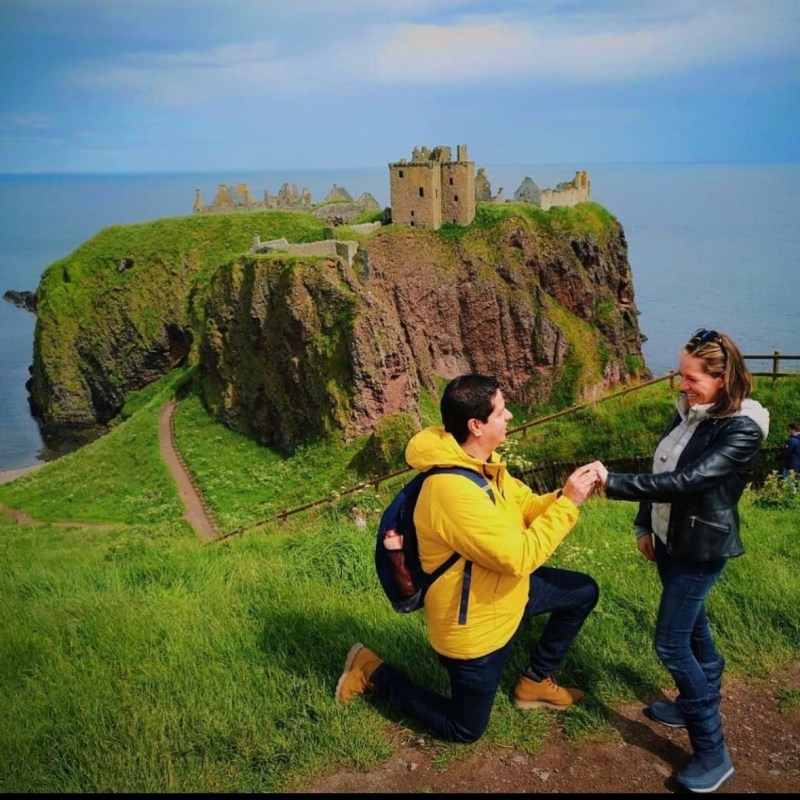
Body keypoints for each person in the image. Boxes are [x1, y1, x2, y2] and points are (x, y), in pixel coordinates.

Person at [335, 374, 600, 744]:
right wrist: (569, 503)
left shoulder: (482, 462)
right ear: (476, 425)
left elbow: (527, 505)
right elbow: (519, 557)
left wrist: (568, 492)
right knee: (464, 729)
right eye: (502, 411)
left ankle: (535, 681)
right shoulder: (451, 490)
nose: (509, 417)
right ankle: (371, 671)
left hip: (506, 597)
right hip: (474, 628)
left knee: (582, 591)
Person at [594, 329, 769, 793]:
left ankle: (713, 752)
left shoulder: (742, 427)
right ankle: (697, 701)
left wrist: (610, 482)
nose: (682, 386)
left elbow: (688, 481)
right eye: (680, 376)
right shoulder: (692, 414)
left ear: (723, 375)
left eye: (691, 378)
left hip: (700, 551)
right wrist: (644, 527)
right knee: (694, 628)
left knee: (672, 645)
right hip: (671, 541)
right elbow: (662, 467)